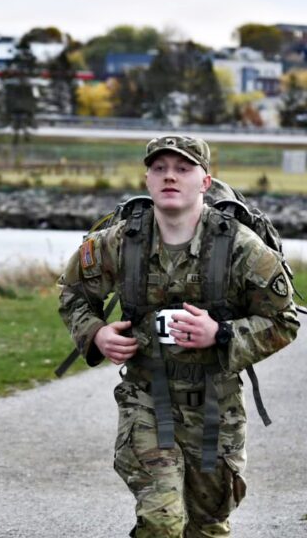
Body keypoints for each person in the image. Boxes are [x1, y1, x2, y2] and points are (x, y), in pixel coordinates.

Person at [58, 135, 299, 537]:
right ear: (148, 180)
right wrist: (96, 333)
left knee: (208, 526)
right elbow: (73, 294)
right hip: (146, 398)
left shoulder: (241, 248)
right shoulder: (120, 243)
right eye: (160, 169)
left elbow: (284, 321)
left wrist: (221, 334)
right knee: (162, 520)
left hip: (215, 406)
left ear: (204, 182)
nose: (170, 177)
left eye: (183, 169)